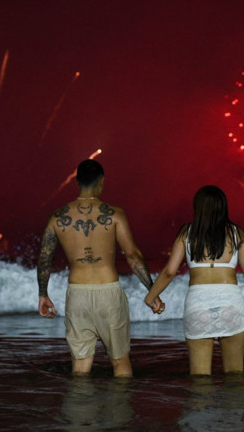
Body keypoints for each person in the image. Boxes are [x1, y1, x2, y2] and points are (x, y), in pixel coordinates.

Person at [37, 159, 164, 377]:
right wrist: (152, 291)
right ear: (102, 182)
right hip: (109, 293)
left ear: (76, 182)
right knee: (120, 362)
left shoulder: (58, 217)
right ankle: (120, 410)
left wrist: (43, 294)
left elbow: (44, 258)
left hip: (77, 294)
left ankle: (79, 410)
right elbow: (133, 255)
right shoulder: (115, 214)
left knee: (80, 366)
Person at [144, 185, 244, 375]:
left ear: (197, 207)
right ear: (223, 207)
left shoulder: (187, 233)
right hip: (230, 304)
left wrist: (151, 297)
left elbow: (168, 272)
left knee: (200, 378)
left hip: (198, 305)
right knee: (234, 376)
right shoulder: (236, 234)